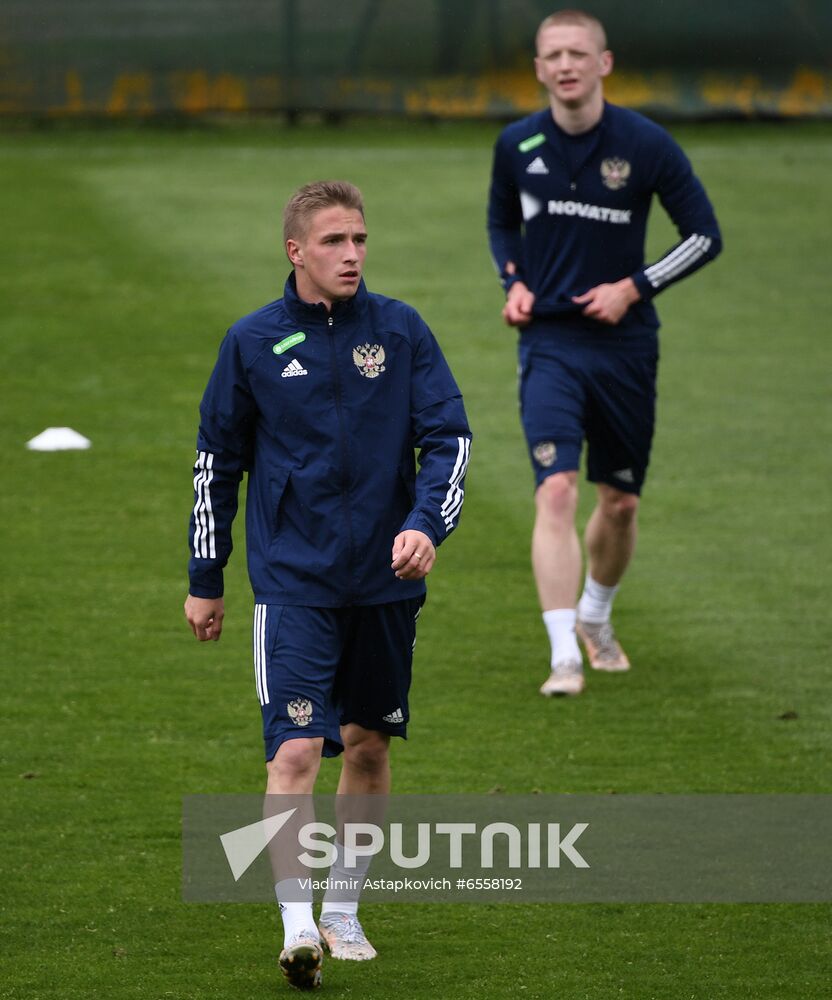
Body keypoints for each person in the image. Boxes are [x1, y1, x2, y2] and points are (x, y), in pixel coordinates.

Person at [184, 180, 471, 990]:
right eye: (336, 242)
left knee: (371, 746)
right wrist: (207, 578)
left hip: (384, 581)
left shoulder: (402, 331)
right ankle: (297, 922)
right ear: (296, 251)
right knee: (298, 747)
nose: (352, 255)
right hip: (293, 582)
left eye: (360, 239)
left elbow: (448, 437)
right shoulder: (252, 342)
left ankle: (343, 908)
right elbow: (217, 464)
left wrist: (425, 523)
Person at [487, 10, 721, 697]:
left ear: (603, 63)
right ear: (538, 68)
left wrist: (634, 287)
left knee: (618, 503)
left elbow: (704, 235)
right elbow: (502, 221)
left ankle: (595, 616)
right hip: (550, 342)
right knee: (555, 489)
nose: (565, 65)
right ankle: (563, 654)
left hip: (624, 346)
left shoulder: (646, 145)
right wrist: (515, 283)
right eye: (552, 55)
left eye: (577, 54)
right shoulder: (517, 143)